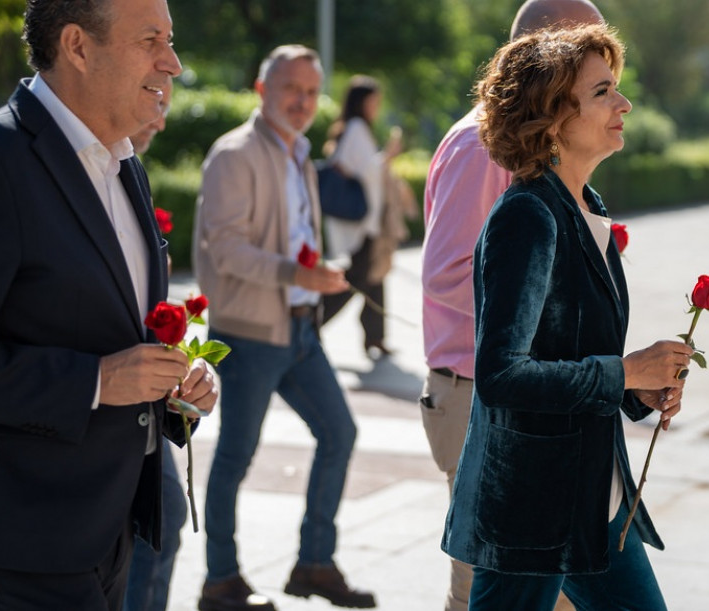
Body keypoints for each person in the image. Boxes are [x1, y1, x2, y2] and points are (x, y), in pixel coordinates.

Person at [0, 0, 218, 609]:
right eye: (151, 40)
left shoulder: (122, 162)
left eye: (171, 40)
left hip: (104, 523)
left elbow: (104, 323)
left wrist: (175, 380)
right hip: (14, 532)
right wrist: (97, 381)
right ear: (77, 46)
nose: (173, 63)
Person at [440, 24, 693, 610]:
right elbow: (502, 376)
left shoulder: (585, 210)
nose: (624, 103)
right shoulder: (528, 217)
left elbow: (569, 352)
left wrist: (640, 392)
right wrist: (624, 374)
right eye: (603, 91)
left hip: (590, 492)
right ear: (553, 118)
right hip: (533, 505)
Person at [419, 1, 605, 609]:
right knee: (492, 595)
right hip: (483, 394)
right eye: (589, 46)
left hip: (515, 394)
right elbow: (447, 272)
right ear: (551, 54)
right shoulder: (483, 145)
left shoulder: (527, 145)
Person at [193, 45, 376, 611]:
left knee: (339, 434)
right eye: (289, 88)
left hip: (301, 330)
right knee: (235, 459)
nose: (301, 101)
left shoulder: (299, 154)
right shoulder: (234, 155)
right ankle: (220, 581)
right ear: (260, 89)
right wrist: (297, 273)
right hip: (248, 333)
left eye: (310, 91)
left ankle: (314, 564)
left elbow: (296, 234)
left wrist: (315, 278)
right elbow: (225, 251)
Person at [124, 85, 188, 611]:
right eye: (157, 104)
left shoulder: (128, 173)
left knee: (166, 518)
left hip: (142, 407)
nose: (161, 121)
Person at [320, 75, 404, 358]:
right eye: (373, 101)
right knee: (356, 278)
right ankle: (311, 324)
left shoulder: (356, 128)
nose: (376, 107)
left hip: (367, 220)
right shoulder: (356, 128)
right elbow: (352, 167)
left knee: (374, 275)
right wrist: (388, 156)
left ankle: (375, 337)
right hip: (360, 221)